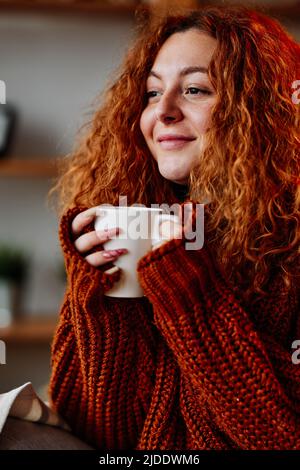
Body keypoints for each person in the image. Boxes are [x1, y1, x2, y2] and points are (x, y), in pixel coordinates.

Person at [47, 5, 300, 450]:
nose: (161, 112)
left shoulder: (290, 252)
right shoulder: (136, 221)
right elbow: (99, 437)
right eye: (150, 93)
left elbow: (280, 438)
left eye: (196, 90)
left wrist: (189, 295)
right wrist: (99, 301)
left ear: (260, 109)